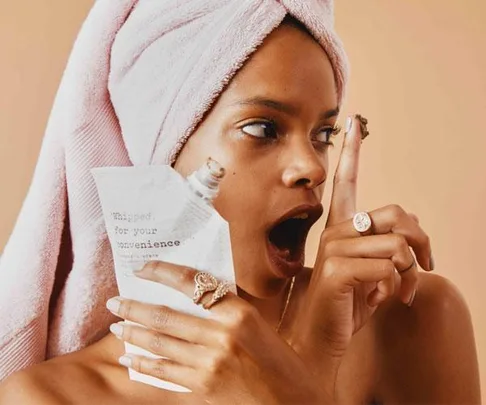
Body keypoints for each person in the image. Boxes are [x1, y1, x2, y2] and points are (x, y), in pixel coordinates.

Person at [0, 3, 481, 405]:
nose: (312, 167)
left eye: (324, 134)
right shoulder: (49, 398)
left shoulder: (409, 318)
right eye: (264, 129)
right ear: (162, 150)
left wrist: (306, 378)